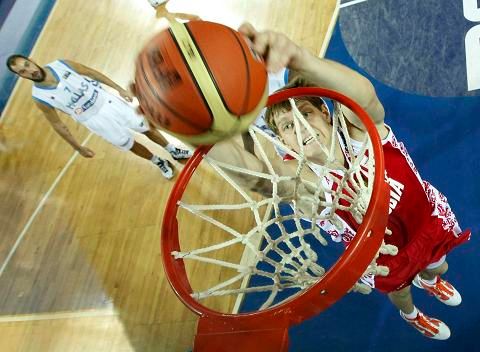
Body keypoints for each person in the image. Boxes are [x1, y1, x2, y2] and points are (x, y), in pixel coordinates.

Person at [208, 23, 471, 340]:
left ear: (325, 110)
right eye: (288, 127)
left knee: (438, 266)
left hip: (425, 220)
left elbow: (365, 97)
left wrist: (300, 58)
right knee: (400, 291)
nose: (301, 128)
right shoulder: (304, 178)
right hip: (382, 255)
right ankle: (412, 315)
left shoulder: (359, 134)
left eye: (306, 113)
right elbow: (256, 177)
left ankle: (430, 280)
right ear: (283, 143)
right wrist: (204, 128)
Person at [6, 55, 193, 179]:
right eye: (22, 71)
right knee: (128, 143)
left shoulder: (61, 65)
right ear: (20, 76)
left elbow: (91, 73)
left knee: (144, 127)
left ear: (30, 60)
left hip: (107, 101)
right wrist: (77, 147)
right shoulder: (39, 97)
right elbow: (57, 125)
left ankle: (171, 149)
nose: (29, 71)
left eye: (27, 65)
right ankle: (157, 161)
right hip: (94, 120)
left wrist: (119, 89)